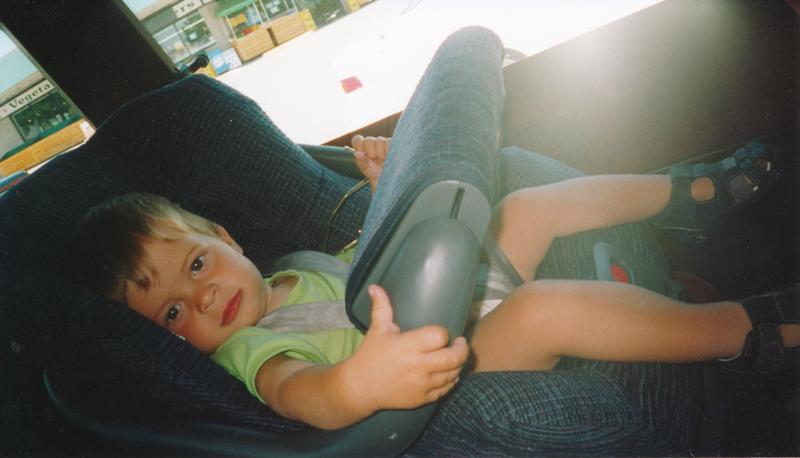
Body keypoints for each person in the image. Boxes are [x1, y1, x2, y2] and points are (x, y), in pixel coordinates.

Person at [68, 135, 797, 430]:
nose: (200, 298)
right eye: (172, 314)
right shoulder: (247, 351)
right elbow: (302, 395)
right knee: (541, 310)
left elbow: (380, 258)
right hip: (443, 373)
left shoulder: (295, 267)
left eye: (196, 265)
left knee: (524, 208)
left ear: (225, 239)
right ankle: (747, 332)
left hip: (459, 303)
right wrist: (361, 383)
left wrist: (388, 191)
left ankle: (687, 196)